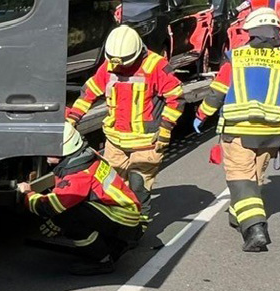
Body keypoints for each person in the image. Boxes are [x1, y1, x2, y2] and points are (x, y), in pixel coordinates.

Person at [194, 7, 280, 252]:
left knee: (242, 180)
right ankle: (237, 216)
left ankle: (255, 228)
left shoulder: (236, 57)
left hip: (238, 131)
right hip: (270, 135)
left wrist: (201, 115)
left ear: (250, 31)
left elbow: (218, 91)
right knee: (255, 179)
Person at [18, 122, 148, 275]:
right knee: (66, 212)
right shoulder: (85, 156)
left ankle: (102, 260)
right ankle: (114, 244)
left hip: (123, 218)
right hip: (123, 214)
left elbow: (50, 206)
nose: (45, 153)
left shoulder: (79, 174)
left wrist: (27, 194)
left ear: (63, 151)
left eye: (49, 150)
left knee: (67, 215)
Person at [66, 25, 184, 193]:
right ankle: (119, 218)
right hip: (115, 142)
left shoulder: (155, 65)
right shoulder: (109, 65)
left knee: (138, 189)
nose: (119, 67)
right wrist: (72, 119)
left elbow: (176, 98)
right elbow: (88, 94)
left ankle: (140, 218)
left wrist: (165, 129)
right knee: (112, 189)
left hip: (146, 143)